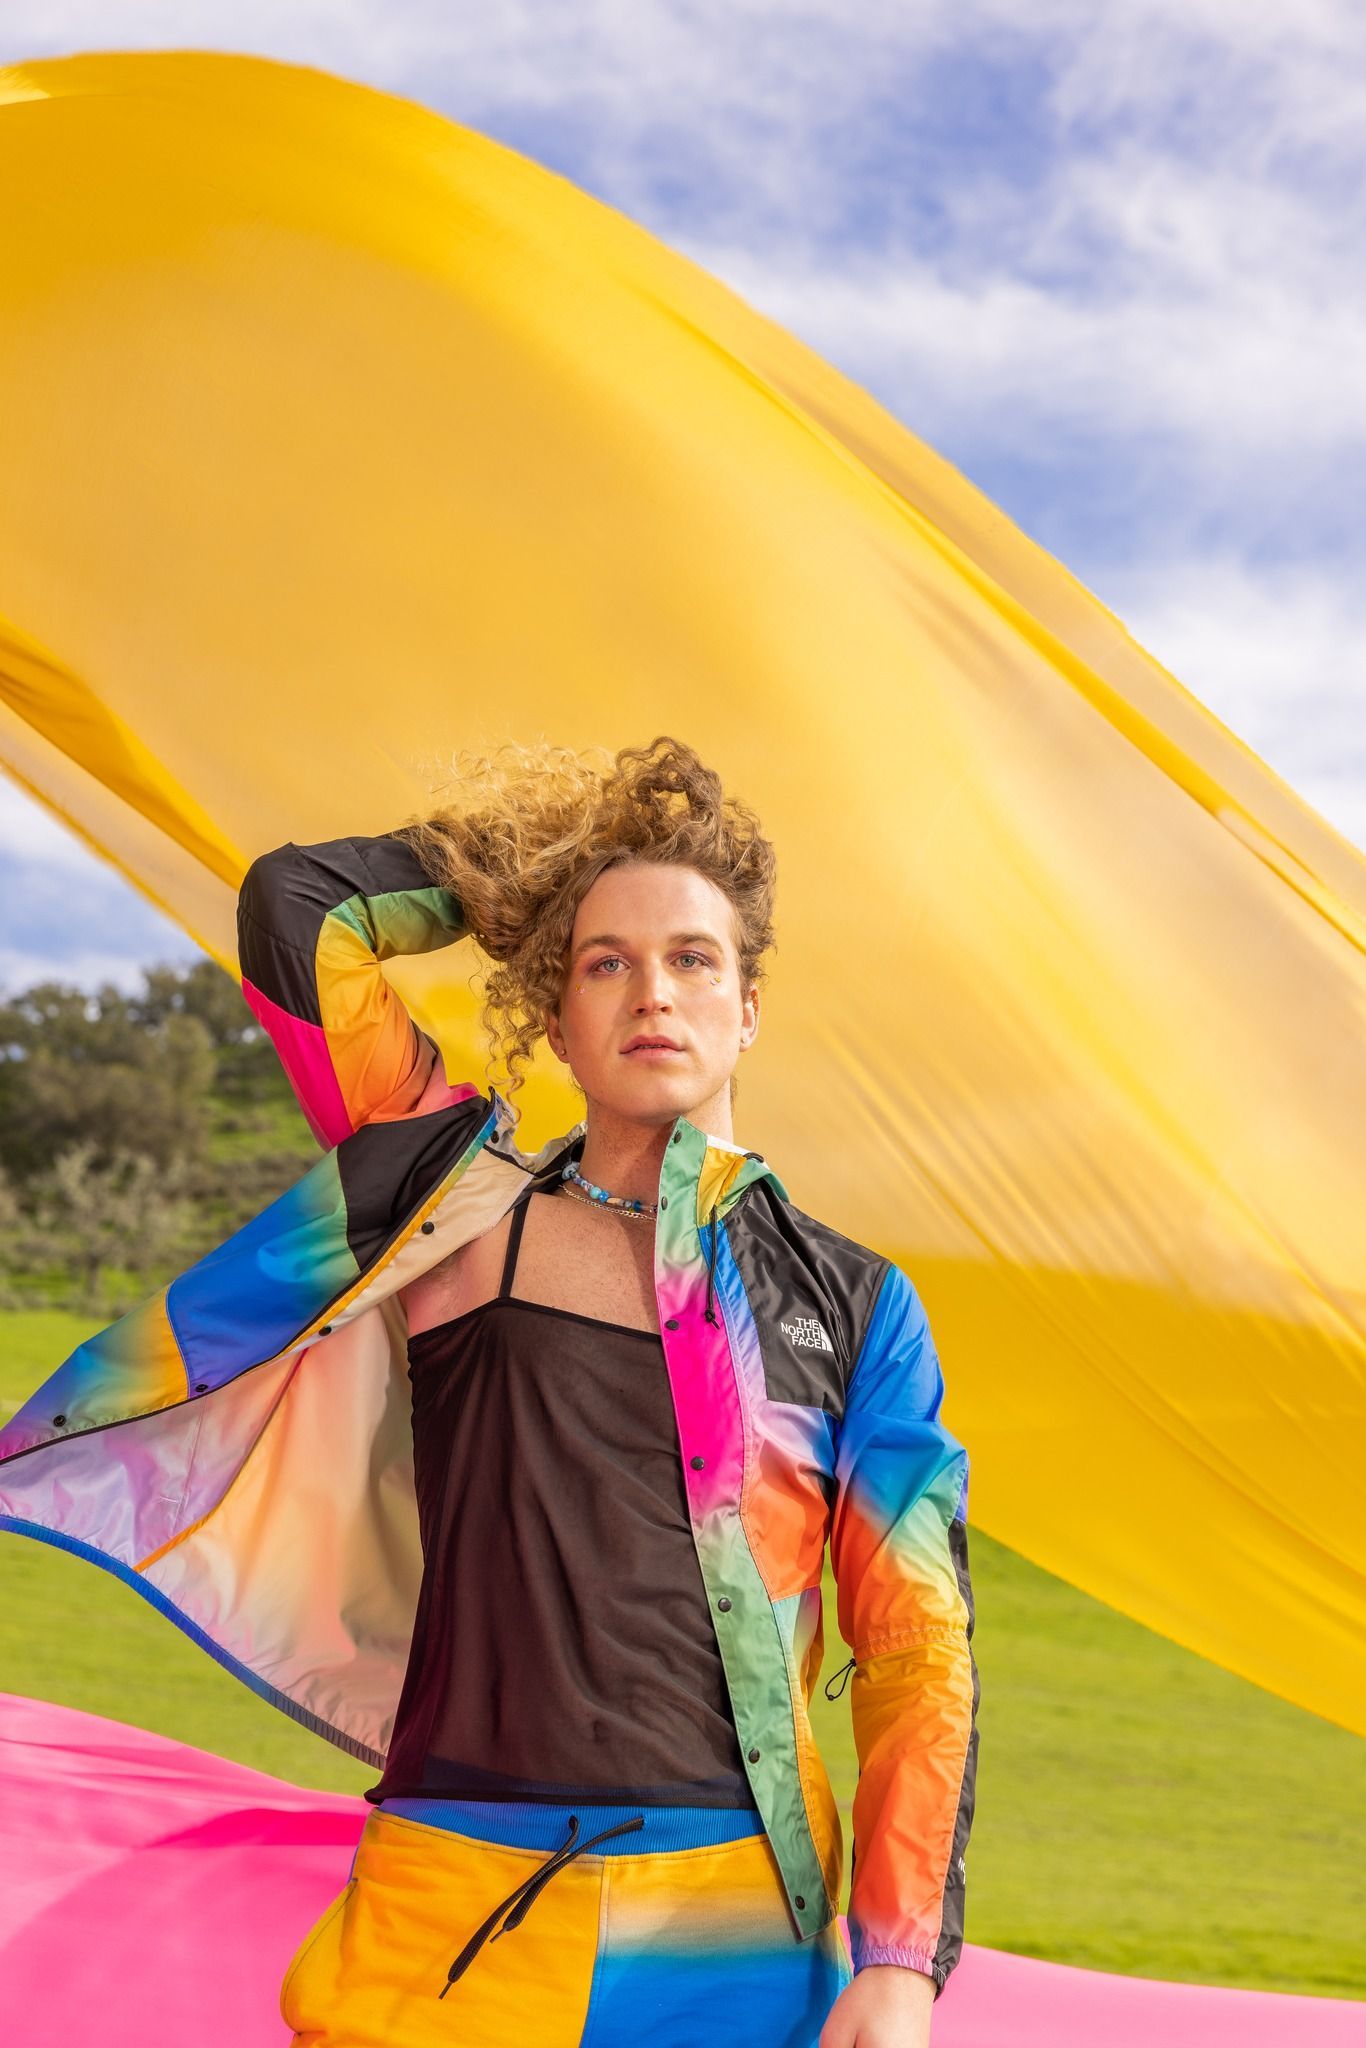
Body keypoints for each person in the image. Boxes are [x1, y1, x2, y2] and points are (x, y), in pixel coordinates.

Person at [0, 734, 979, 2047]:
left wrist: (899, 1954)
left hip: (738, 1931)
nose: (653, 992)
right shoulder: (450, 1214)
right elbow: (303, 914)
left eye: (694, 958)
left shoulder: (854, 1303)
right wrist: (530, 876)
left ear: (746, 1010)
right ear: (554, 1016)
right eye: (603, 962)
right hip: (445, 1909)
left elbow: (914, 1649)